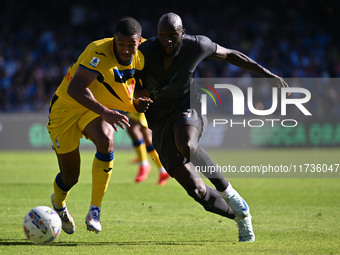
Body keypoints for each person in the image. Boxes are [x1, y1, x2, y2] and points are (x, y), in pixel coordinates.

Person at [136, 13, 289, 242]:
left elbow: (230, 55)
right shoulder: (144, 52)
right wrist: (137, 95)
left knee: (186, 143)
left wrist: (266, 74)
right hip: (158, 121)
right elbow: (129, 82)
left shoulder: (197, 45)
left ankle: (230, 193)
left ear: (183, 33)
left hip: (188, 108)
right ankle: (242, 216)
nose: (167, 41)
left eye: (173, 36)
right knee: (197, 191)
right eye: (162, 36)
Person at [47, 17, 152, 234]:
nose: (125, 50)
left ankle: (94, 211)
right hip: (65, 109)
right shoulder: (98, 51)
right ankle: (58, 205)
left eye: (130, 45)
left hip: (91, 109)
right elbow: (75, 88)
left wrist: (139, 99)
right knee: (70, 177)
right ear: (114, 39)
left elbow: (140, 85)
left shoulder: (142, 54)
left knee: (106, 141)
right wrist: (106, 112)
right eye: (120, 44)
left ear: (138, 42)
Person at [127, 112, 170, 185]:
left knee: (133, 128)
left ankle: (144, 164)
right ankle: (162, 170)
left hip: (144, 107)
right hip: (145, 108)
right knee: (146, 138)